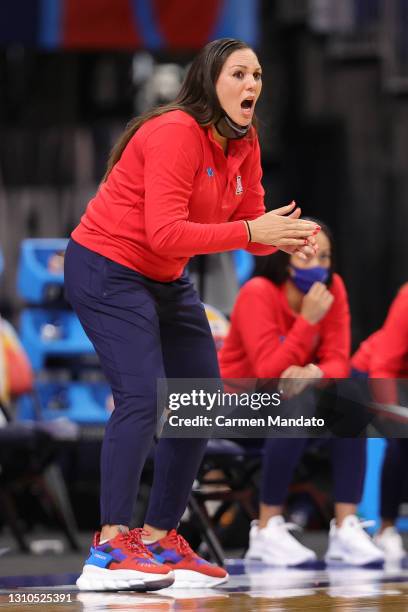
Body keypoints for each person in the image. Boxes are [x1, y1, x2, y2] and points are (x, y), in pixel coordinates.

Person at [64, 38, 320, 592]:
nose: (252, 84)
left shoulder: (244, 141)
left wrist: (282, 239)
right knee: (143, 394)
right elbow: (165, 231)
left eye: (257, 74)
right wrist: (254, 232)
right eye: (239, 74)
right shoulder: (175, 133)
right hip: (106, 266)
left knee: (198, 397)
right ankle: (108, 549)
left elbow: (249, 221)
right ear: (210, 81)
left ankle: (158, 539)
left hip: (164, 276)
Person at [219, 221, 384, 566]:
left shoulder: (333, 289)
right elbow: (267, 372)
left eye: (325, 257)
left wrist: (315, 372)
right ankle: (267, 528)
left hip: (292, 407)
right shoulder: (258, 293)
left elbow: (339, 361)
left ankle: (345, 527)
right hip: (233, 407)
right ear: (285, 257)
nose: (318, 267)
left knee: (351, 390)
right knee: (297, 400)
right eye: (307, 256)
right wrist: (306, 321)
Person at [352, 283, 408, 561]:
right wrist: (393, 417)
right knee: (400, 441)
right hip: (374, 373)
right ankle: (386, 529)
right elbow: (384, 364)